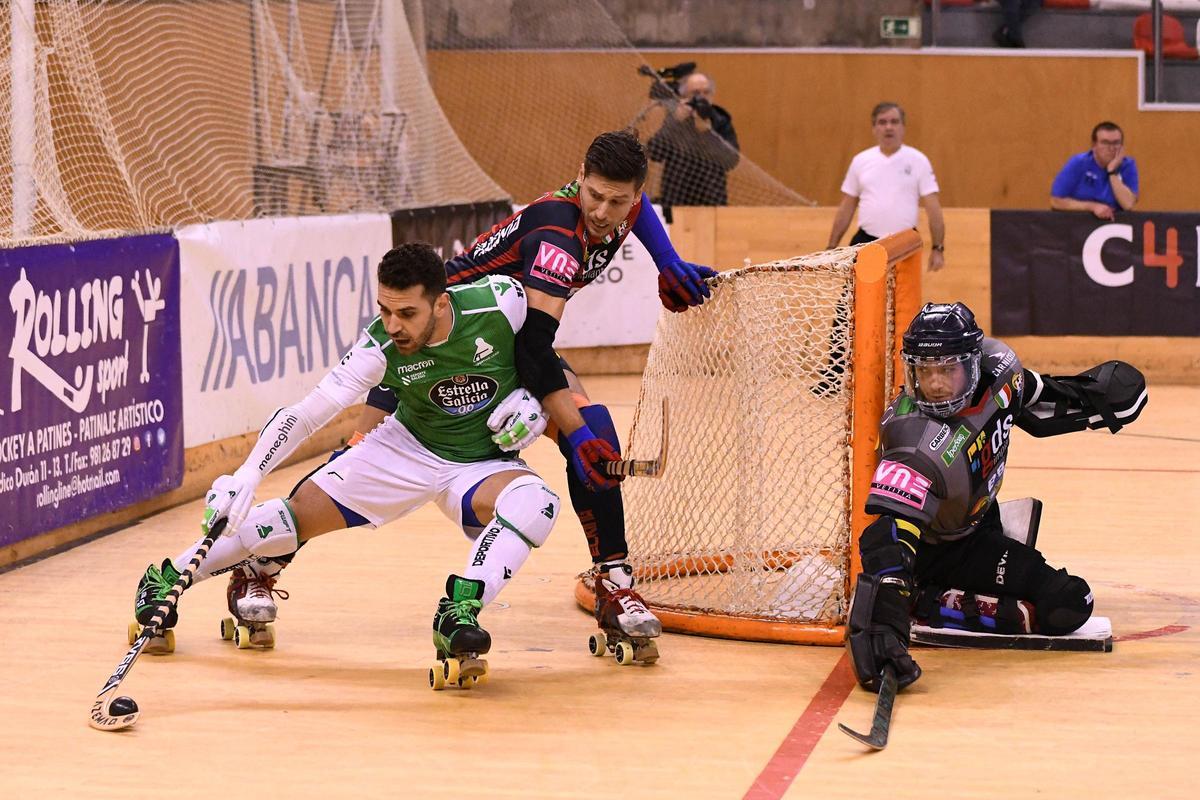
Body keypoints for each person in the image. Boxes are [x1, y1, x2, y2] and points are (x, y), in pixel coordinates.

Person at [236, 131, 718, 657]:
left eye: (617, 200)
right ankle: (261, 564)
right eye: (595, 196)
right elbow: (536, 349)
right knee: (352, 462)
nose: (604, 212)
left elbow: (637, 213)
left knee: (596, 430)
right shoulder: (558, 236)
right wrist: (567, 429)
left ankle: (614, 582)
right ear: (580, 176)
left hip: (498, 348)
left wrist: (666, 259)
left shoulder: (621, 204)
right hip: (432, 347)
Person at [133, 244, 562, 679]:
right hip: (404, 450)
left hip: (481, 464)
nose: (394, 325)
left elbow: (549, 362)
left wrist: (538, 402)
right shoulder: (378, 345)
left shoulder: (502, 302)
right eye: (385, 309)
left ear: (441, 302)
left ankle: (458, 613)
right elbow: (309, 411)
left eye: (408, 314)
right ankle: (166, 579)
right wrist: (248, 474)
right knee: (292, 519)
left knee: (537, 503)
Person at [847, 302, 1148, 692]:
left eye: (947, 369)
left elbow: (1031, 399)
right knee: (1070, 602)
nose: (935, 384)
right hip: (942, 552)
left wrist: (1097, 401)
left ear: (973, 365)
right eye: (925, 371)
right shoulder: (911, 442)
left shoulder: (1000, 365)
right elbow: (888, 537)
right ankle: (925, 599)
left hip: (981, 519)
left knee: (1062, 594)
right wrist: (884, 621)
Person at [826, 102, 945, 273]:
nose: (888, 127)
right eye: (882, 122)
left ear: (903, 127)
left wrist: (938, 248)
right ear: (874, 128)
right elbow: (847, 206)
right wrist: (832, 246)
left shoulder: (918, 161)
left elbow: (934, 208)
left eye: (894, 122)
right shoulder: (861, 161)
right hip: (867, 241)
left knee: (903, 298)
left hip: (905, 243)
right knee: (857, 297)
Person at [647, 71, 740, 213]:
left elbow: (731, 160)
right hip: (675, 200)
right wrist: (674, 123)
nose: (701, 98)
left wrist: (707, 133)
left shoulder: (720, 120)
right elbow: (655, 152)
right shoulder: (675, 118)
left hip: (712, 201)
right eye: (695, 93)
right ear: (683, 97)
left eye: (706, 92)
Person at [1050, 121, 1139, 221]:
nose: (1111, 148)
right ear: (1094, 146)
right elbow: (1056, 201)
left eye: (1116, 143)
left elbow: (1128, 204)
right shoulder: (1078, 163)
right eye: (1105, 143)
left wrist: (1112, 172)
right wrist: (1092, 207)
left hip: (1113, 226)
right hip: (1076, 224)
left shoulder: (1128, 165)